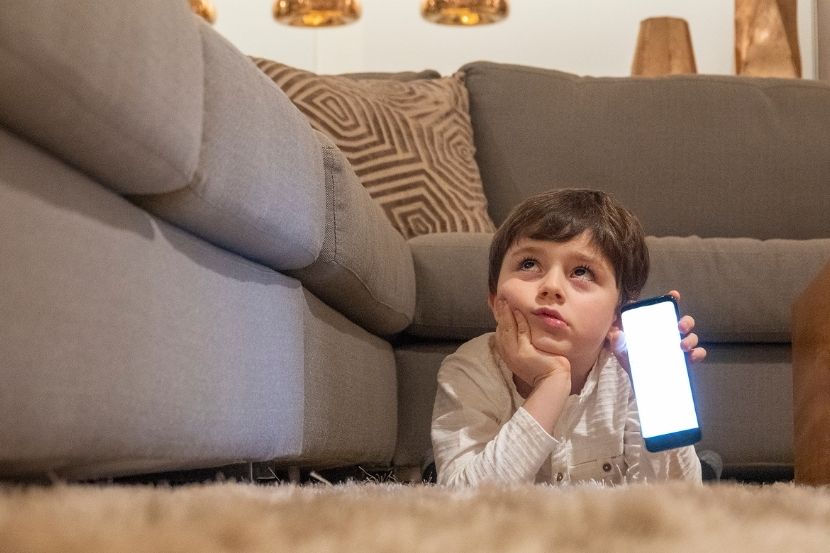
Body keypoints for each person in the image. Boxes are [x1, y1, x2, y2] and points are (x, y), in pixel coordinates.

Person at [431, 189, 706, 486]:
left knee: (693, 464)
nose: (551, 286)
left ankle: (709, 462)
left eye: (581, 272)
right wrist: (551, 382)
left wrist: (659, 392)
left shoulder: (629, 373)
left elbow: (679, 499)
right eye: (529, 264)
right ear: (495, 299)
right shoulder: (469, 369)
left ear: (618, 314)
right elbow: (463, 502)